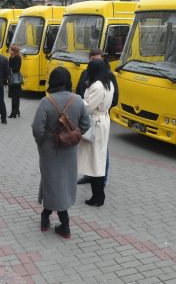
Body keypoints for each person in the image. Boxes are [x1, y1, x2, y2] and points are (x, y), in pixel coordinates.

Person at [31, 67, 91, 239]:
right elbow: (86, 125)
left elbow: (37, 129)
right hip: (70, 151)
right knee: (62, 182)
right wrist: (72, 135)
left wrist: (42, 142)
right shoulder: (78, 100)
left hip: (49, 151)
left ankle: (63, 224)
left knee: (51, 181)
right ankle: (47, 217)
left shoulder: (46, 102)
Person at [76, 49, 118, 186]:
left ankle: (100, 180)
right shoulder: (86, 73)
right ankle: (90, 176)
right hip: (90, 117)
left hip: (96, 119)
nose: (93, 62)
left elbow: (114, 99)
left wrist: (98, 109)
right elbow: (79, 90)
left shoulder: (107, 79)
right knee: (91, 151)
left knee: (100, 152)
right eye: (92, 59)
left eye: (96, 60)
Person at [78, 59, 114, 207]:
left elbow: (88, 107)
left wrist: (77, 101)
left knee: (95, 160)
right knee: (97, 158)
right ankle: (97, 195)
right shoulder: (108, 82)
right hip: (103, 120)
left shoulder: (98, 86)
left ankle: (98, 196)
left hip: (95, 123)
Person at [8, 44, 22, 118]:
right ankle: (16, 111)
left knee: (15, 96)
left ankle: (14, 112)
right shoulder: (12, 57)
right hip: (13, 79)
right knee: (15, 96)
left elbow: (16, 68)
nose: (9, 51)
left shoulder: (17, 58)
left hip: (15, 79)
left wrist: (9, 69)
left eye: (10, 49)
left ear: (14, 51)